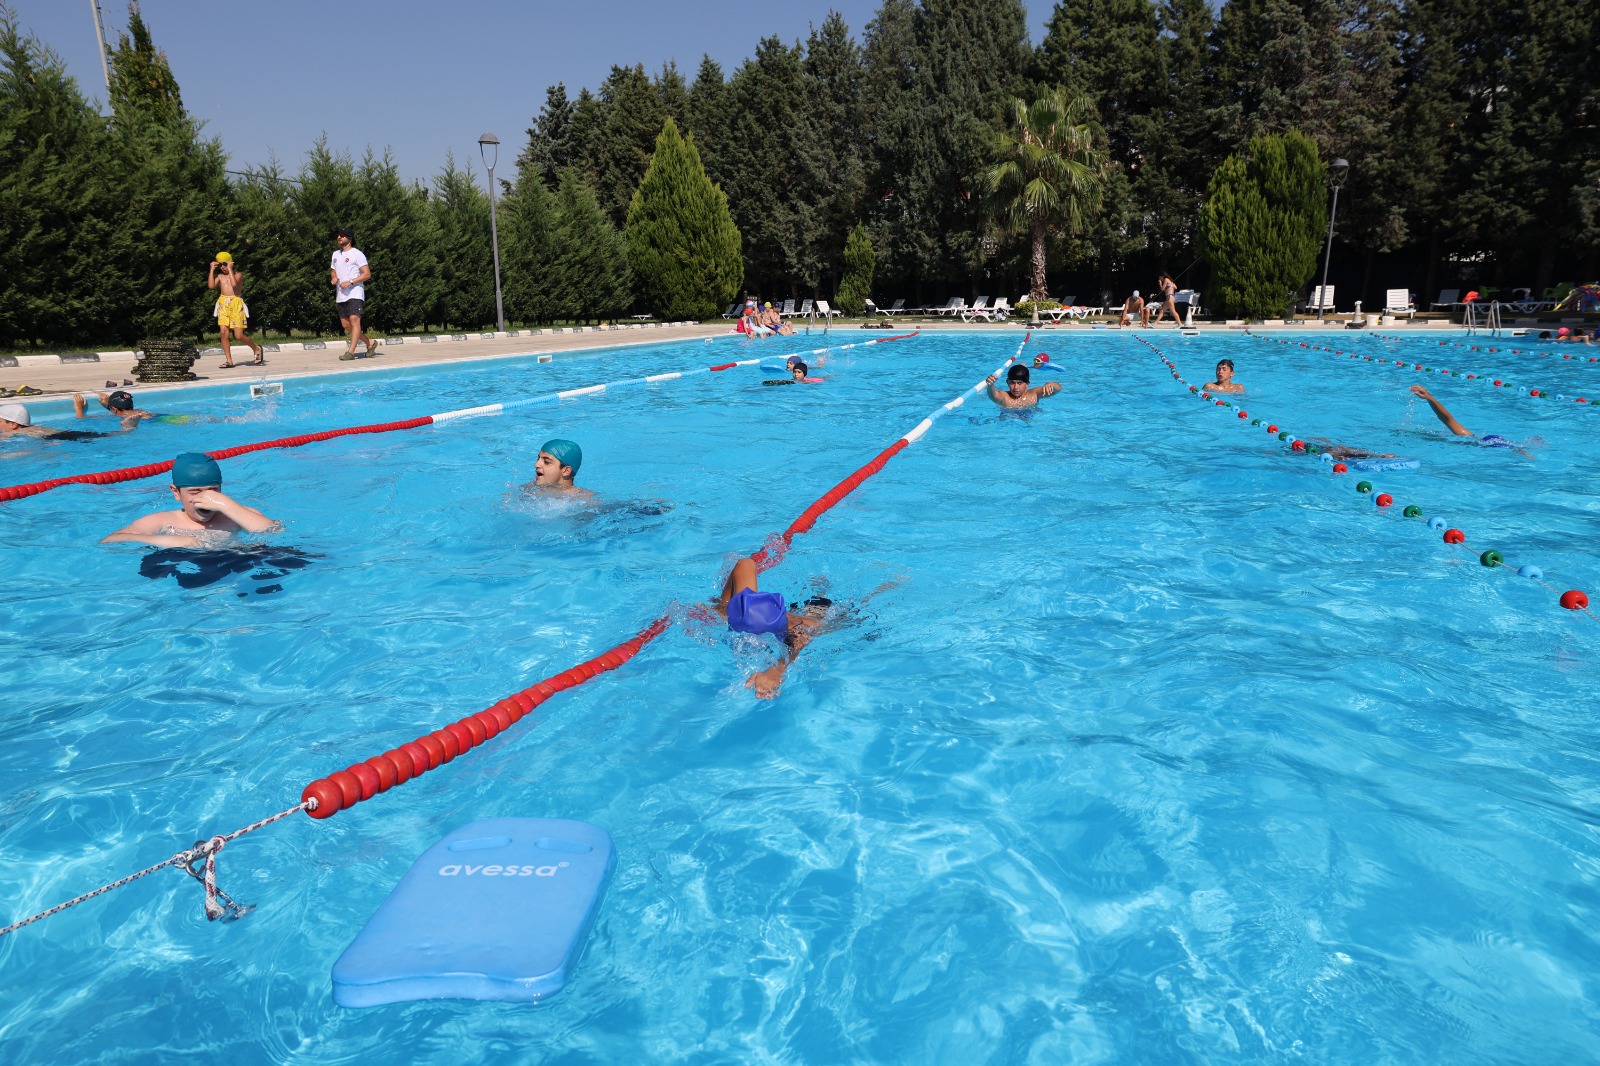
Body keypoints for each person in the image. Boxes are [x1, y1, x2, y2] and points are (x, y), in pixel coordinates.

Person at [711, 556, 834, 698]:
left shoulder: (798, 629)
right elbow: (745, 563)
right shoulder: (745, 607)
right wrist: (723, 605)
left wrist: (776, 670)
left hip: (822, 614)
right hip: (788, 613)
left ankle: (821, 584)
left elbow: (802, 640)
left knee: (823, 607)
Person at [102, 453, 278, 547]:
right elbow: (110, 540)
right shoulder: (165, 520)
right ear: (176, 493)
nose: (206, 498)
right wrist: (163, 540)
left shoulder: (234, 515)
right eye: (195, 492)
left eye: (213, 491)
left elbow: (274, 531)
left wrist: (226, 504)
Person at [1409, 384, 1529, 454]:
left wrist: (1430, 398)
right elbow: (1447, 419)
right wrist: (1429, 398)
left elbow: (1447, 419)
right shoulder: (1474, 440)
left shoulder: (1474, 440)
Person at [207, 252, 265, 368]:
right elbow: (211, 286)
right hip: (223, 304)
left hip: (236, 304)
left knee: (238, 336)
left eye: (225, 264)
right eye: (220, 265)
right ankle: (229, 360)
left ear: (230, 263)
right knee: (224, 333)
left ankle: (257, 348)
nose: (223, 267)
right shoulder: (220, 277)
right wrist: (212, 270)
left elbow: (234, 285)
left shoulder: (238, 275)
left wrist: (230, 268)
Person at [330, 228, 376, 360]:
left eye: (342, 235)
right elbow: (333, 270)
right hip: (341, 294)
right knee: (346, 325)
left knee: (355, 321)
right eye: (338, 235)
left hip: (355, 292)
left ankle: (350, 352)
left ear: (349, 238)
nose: (339, 237)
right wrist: (334, 277)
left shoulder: (357, 254)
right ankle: (370, 343)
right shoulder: (335, 255)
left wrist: (350, 282)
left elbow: (367, 274)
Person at [520, 438, 596, 501]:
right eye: (538, 458)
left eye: (546, 462)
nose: (536, 464)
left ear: (566, 471)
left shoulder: (584, 499)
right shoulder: (530, 488)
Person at [0, 402, 108, 442]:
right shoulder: (31, 428)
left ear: (13, 424)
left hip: (63, 438)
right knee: (102, 436)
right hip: (65, 436)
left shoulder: (12, 433)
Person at [985, 363, 1061, 408]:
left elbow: (1058, 389)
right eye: (1012, 383)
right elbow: (993, 395)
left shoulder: (1034, 394)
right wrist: (990, 384)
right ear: (1007, 382)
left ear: (1027, 384)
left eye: (1019, 383)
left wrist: (1051, 384)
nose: (1015, 387)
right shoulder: (1005, 397)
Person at [72, 390, 156, 429]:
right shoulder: (141, 411)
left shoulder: (117, 417)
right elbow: (120, 412)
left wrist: (79, 408)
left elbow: (82, 420)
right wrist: (109, 406)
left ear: (113, 408)